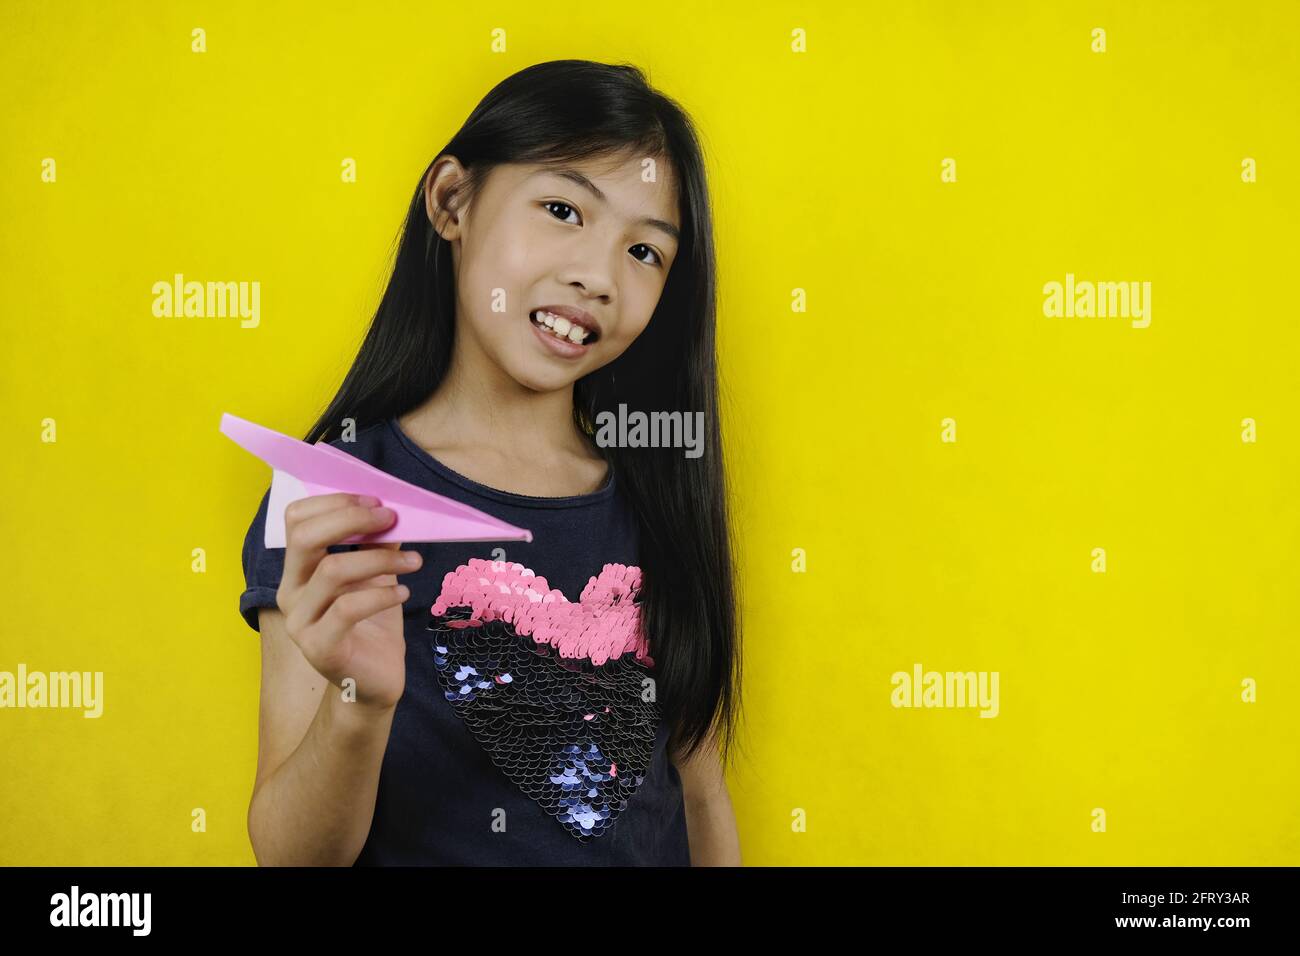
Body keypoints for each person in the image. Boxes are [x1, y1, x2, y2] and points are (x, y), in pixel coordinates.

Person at [238, 59, 743, 866]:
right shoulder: (331, 492)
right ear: (451, 200)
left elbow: (702, 794)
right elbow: (291, 856)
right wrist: (359, 705)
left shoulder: (662, 491)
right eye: (562, 209)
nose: (598, 276)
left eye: (645, 253)